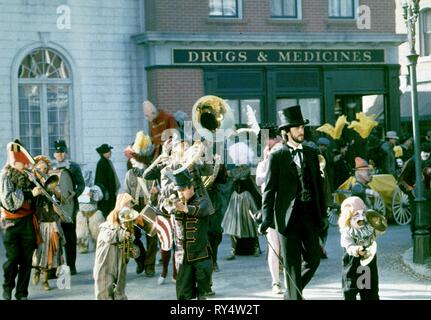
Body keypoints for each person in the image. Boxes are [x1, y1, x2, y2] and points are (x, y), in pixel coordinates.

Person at [259, 104, 326, 300]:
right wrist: (265, 219)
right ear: (287, 132)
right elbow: (269, 191)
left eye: (302, 127)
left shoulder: (312, 153)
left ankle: (290, 295)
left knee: (314, 259)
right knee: (292, 265)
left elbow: (317, 186)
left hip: (310, 215)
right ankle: (294, 297)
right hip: (287, 219)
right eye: (297, 128)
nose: (301, 131)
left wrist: (322, 213)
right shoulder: (277, 156)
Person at [0, 141, 41, 300]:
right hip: (10, 223)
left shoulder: (27, 175)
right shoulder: (4, 175)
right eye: (22, 162)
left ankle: (22, 293)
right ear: (13, 161)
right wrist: (32, 194)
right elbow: (8, 201)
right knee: (13, 258)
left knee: (26, 260)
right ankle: (7, 287)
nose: (25, 165)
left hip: (27, 222)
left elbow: (38, 197)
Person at [165, 167, 212, 300]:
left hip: (200, 254)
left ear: (191, 187)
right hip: (182, 257)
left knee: (203, 294)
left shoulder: (202, 201)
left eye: (183, 190)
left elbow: (201, 210)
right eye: (179, 190)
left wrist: (184, 208)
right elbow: (163, 210)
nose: (180, 193)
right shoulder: (176, 202)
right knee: (183, 295)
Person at [123, 132, 159, 277]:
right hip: (134, 206)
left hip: (149, 205)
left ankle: (150, 266)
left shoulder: (153, 172)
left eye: (134, 159)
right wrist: (126, 205)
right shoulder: (129, 174)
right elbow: (125, 192)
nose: (131, 161)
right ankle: (140, 259)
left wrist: (157, 192)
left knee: (152, 237)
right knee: (132, 238)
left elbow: (160, 190)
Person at [339, 196, 386, 300]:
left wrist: (380, 224)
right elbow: (348, 245)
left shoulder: (368, 228)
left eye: (363, 213)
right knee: (350, 291)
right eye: (356, 214)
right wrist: (356, 250)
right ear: (348, 217)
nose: (361, 217)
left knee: (369, 291)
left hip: (368, 263)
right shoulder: (347, 232)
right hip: (352, 264)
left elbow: (379, 231)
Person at [255, 126, 285, 294]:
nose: (270, 144)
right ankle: (276, 282)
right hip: (270, 208)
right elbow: (260, 181)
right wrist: (267, 162)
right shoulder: (263, 164)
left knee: (287, 244)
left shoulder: (284, 156)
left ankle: (288, 277)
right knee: (274, 245)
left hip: (286, 206)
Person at [93, 193, 138, 300]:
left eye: (130, 205)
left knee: (120, 294)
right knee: (103, 295)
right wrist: (123, 234)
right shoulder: (108, 223)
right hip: (106, 265)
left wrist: (132, 248)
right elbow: (108, 236)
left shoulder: (127, 225)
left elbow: (130, 248)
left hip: (120, 265)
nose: (129, 207)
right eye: (127, 204)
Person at [31, 155, 66, 291]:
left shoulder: (52, 181)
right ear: (35, 169)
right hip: (37, 221)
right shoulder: (31, 183)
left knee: (50, 251)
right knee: (37, 252)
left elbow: (62, 200)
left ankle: (45, 280)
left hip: (51, 222)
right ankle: (36, 271)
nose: (43, 170)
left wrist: (55, 192)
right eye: (40, 168)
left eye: (45, 168)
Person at [51, 139, 85, 275]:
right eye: (58, 152)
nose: (60, 155)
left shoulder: (73, 166)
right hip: (54, 207)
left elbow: (81, 184)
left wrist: (74, 194)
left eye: (63, 152)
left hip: (70, 206)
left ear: (66, 152)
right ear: (54, 154)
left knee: (70, 237)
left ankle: (71, 265)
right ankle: (55, 267)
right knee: (55, 237)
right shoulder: (50, 167)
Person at [76, 185, 105, 253]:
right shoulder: (79, 187)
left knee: (96, 232)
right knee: (80, 233)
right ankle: (82, 245)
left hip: (93, 212)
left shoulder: (95, 188)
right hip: (82, 213)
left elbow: (100, 196)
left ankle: (98, 245)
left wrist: (93, 195)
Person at [94, 143, 121, 218]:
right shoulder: (101, 163)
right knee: (107, 212)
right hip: (106, 195)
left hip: (110, 193)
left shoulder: (107, 162)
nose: (110, 152)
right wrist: (105, 193)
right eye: (108, 151)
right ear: (103, 153)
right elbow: (100, 180)